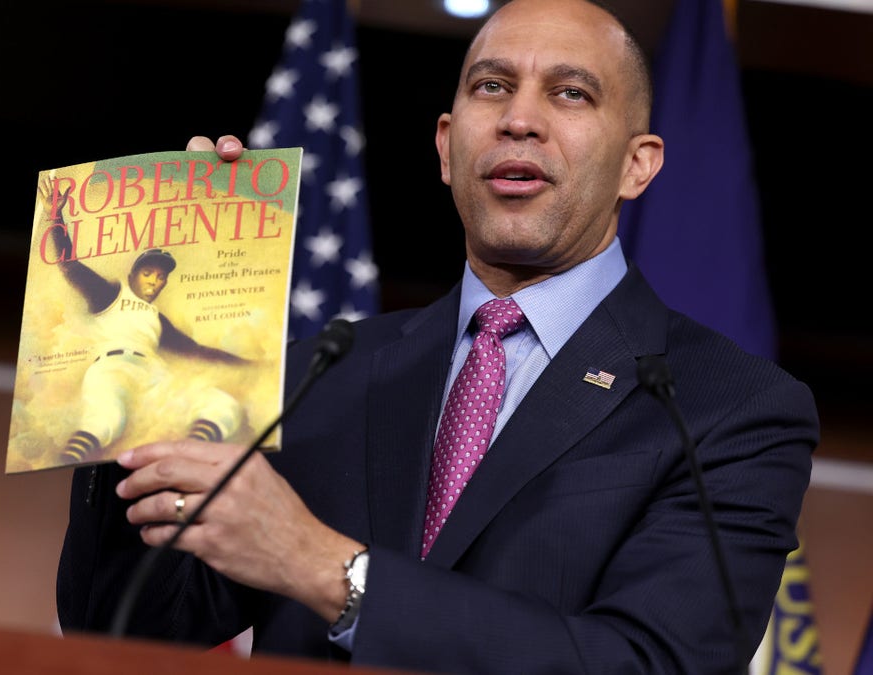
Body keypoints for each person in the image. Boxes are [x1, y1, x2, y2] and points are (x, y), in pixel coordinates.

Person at [55, 0, 819, 672]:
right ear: (448, 147)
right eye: (492, 86)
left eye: (571, 92)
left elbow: (652, 663)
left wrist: (328, 569)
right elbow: (129, 627)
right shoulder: (328, 371)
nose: (520, 118)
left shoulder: (732, 409)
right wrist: (150, 382)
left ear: (637, 165)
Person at [45, 181, 250, 463]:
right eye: (148, 272)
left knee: (220, 404)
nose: (155, 280)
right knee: (106, 417)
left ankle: (189, 457)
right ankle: (68, 458)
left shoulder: (157, 319)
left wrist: (252, 365)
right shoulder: (109, 294)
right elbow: (70, 266)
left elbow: (196, 350)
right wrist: (55, 217)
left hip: (153, 374)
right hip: (113, 368)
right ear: (133, 275)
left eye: (160, 276)